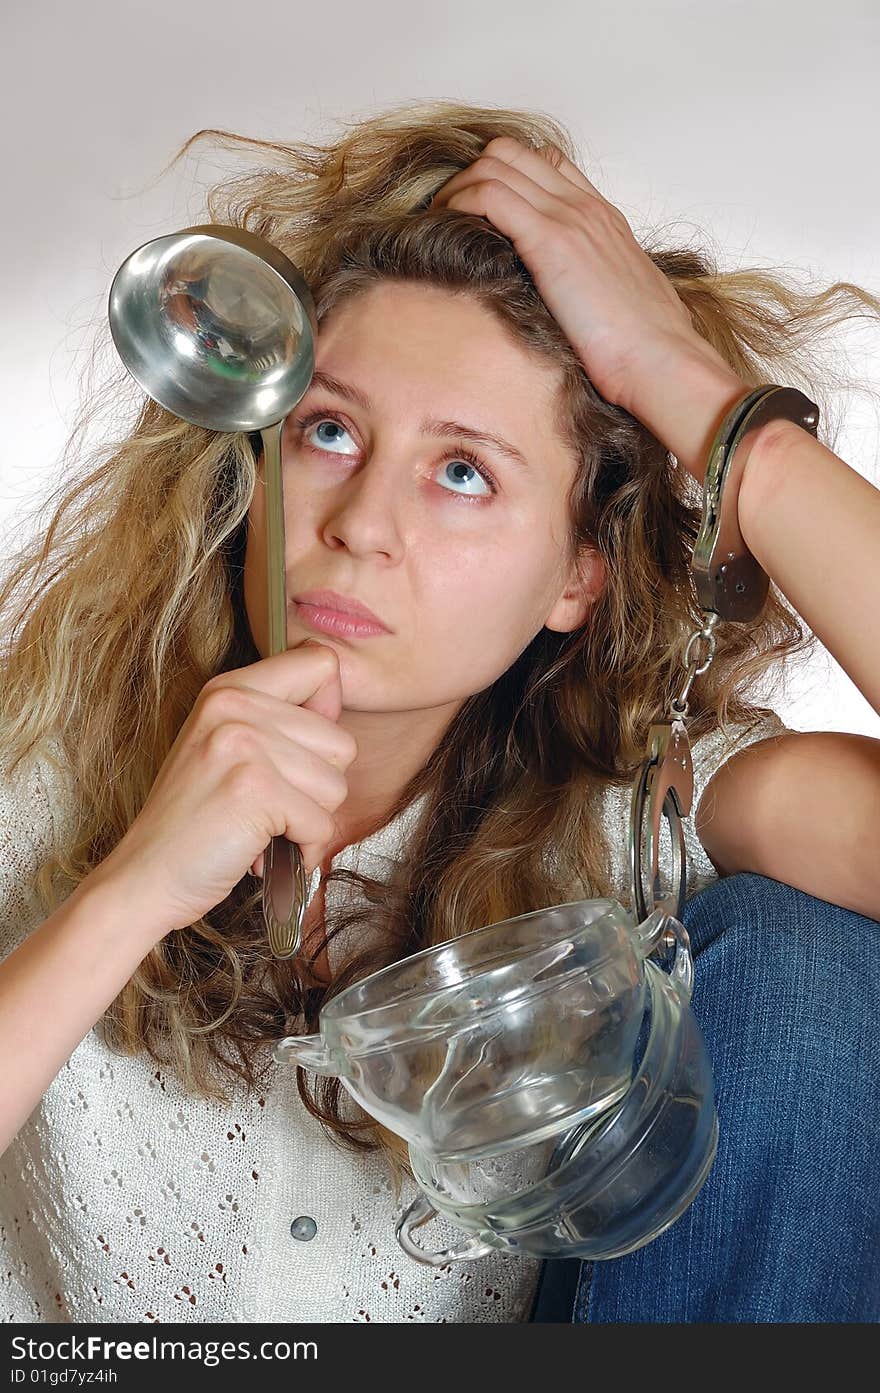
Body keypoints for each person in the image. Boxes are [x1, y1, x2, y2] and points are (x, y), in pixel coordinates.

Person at [0, 99, 878, 1324]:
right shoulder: (39, 754)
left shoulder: (643, 822)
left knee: (809, 961)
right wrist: (127, 893)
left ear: (583, 575)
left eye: (462, 471)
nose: (360, 524)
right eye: (328, 431)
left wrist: (707, 409)